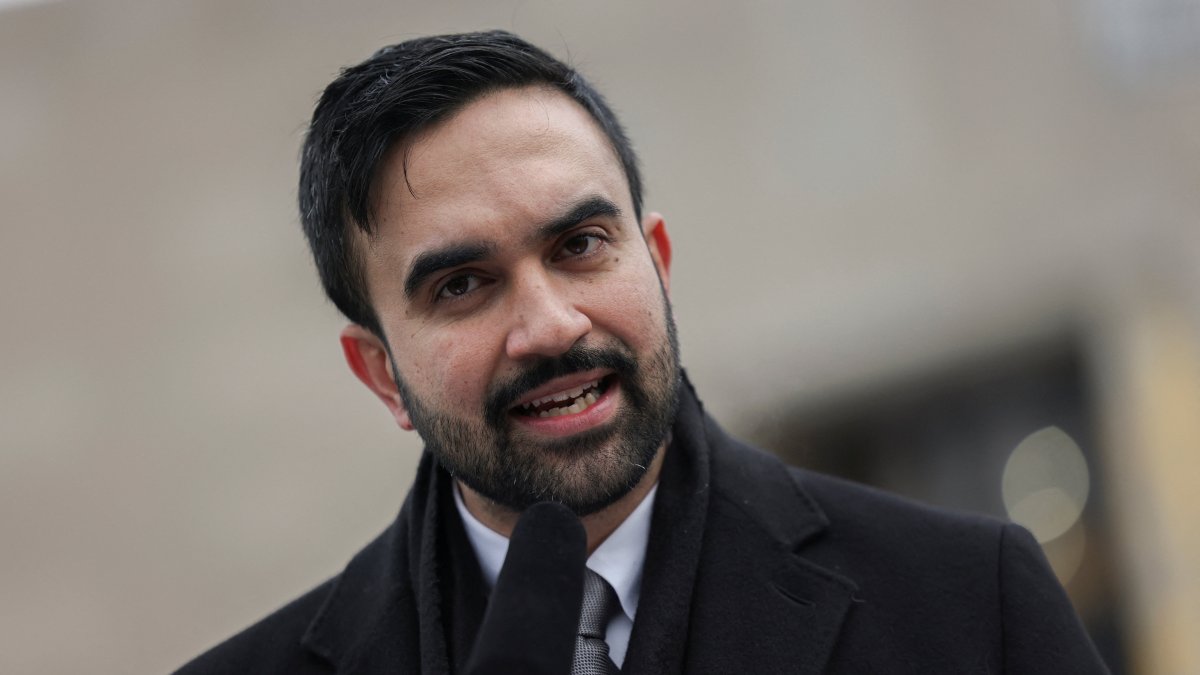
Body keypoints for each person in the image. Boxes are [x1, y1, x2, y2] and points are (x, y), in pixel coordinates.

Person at [175, 30, 1108, 674]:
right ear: (382, 374)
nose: (550, 325)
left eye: (579, 246)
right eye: (462, 285)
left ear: (655, 260)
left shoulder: (968, 605)